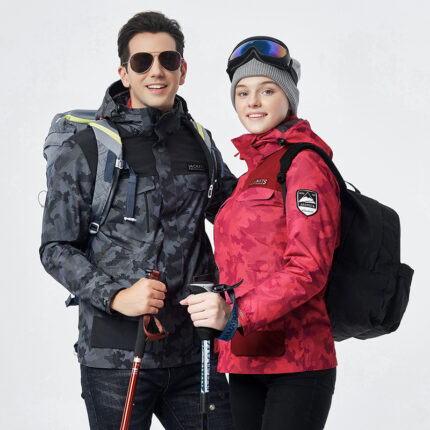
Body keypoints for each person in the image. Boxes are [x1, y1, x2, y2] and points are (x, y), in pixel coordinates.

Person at [40, 11, 236, 430]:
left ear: (183, 70)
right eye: (142, 61)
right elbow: (55, 248)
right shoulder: (88, 147)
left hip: (194, 351)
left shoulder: (199, 142)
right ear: (124, 73)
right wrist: (116, 296)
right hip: (115, 356)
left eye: (168, 60)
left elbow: (237, 217)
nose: (156, 71)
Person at [181, 36, 341, 430]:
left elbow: (308, 268)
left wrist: (235, 313)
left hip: (296, 362)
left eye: (267, 90)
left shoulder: (304, 164)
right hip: (246, 356)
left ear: (288, 97)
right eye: (243, 92)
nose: (253, 102)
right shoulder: (253, 171)